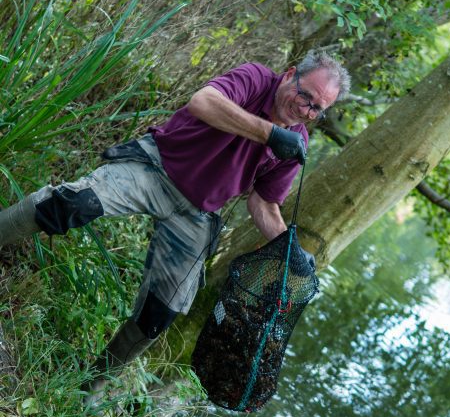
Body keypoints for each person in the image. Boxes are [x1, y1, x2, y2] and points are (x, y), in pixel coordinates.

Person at [0, 50, 350, 399]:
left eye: (317, 108)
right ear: (290, 74)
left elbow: (263, 202)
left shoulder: (297, 142)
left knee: (160, 312)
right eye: (305, 95)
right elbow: (204, 102)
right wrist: (270, 134)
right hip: (155, 168)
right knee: (70, 203)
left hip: (197, 212)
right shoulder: (256, 78)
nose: (305, 110)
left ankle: (91, 387)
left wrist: (289, 251)